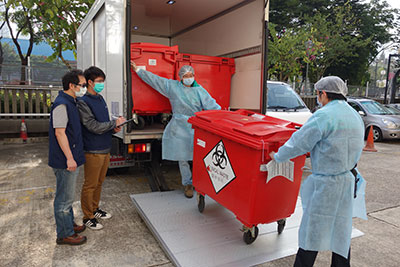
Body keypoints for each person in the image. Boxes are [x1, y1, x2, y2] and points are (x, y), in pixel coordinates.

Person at [269, 76, 365, 267]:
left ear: (323, 93)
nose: (318, 99)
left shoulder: (324, 115)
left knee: (312, 231)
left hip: (326, 184)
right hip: (347, 180)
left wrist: (278, 156)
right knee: (341, 231)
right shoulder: (354, 114)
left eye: (318, 94)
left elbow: (300, 141)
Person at [131, 61, 221, 198]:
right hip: (179, 127)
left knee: (199, 157)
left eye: (191, 75)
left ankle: (201, 184)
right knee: (182, 157)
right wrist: (138, 70)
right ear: (181, 77)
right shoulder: (172, 86)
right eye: (186, 75)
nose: (189, 78)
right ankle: (187, 184)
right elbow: (155, 80)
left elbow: (213, 106)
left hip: (196, 126)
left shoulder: (200, 90)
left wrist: (224, 117)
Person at [77, 66, 126, 230]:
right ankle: (87, 216)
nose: (101, 85)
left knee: (99, 182)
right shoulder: (83, 102)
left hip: (105, 147)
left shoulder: (100, 99)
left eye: (102, 82)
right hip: (93, 149)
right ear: (89, 82)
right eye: (98, 82)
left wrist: (114, 128)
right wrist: (114, 123)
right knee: (90, 184)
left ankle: (95, 209)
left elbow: (103, 124)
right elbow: (92, 126)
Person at [49, 69, 88, 245]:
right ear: (71, 86)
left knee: (67, 196)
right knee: (64, 199)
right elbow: (60, 133)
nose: (85, 88)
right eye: (82, 85)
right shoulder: (62, 104)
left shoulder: (71, 102)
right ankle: (65, 233)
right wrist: (70, 159)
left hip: (71, 156)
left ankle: (69, 225)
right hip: (65, 160)